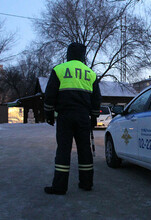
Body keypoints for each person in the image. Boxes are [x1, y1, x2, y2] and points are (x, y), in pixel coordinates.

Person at [44, 42, 101, 195]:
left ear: (68, 54)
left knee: (63, 150)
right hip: (83, 117)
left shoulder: (59, 70)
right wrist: (94, 117)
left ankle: (60, 187)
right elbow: (96, 99)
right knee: (85, 150)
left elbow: (50, 95)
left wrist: (49, 114)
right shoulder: (90, 73)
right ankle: (86, 183)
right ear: (83, 56)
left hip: (65, 116)